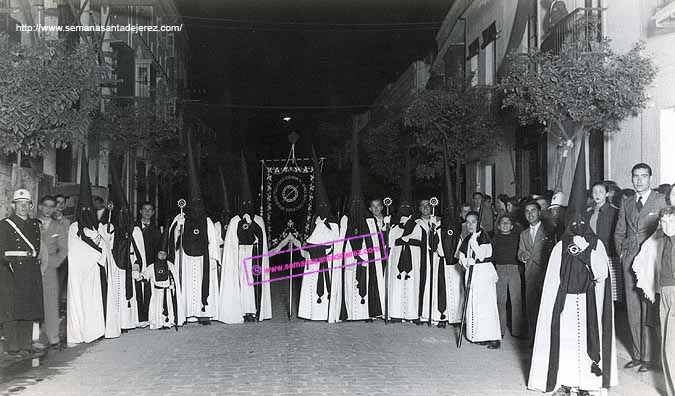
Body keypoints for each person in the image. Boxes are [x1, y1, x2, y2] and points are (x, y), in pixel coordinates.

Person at [529, 139, 617, 396]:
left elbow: (602, 274)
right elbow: (551, 282)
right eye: (573, 221)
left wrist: (587, 251)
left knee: (588, 339)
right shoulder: (558, 247)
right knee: (566, 343)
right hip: (565, 304)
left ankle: (587, 384)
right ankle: (565, 381)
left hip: (589, 300)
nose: (578, 224)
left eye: (582, 221)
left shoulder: (597, 244)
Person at [614, 163, 667, 372]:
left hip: (650, 262)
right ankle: (637, 354)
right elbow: (619, 232)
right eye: (635, 176)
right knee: (633, 308)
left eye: (643, 176)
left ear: (650, 178)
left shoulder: (660, 200)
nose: (639, 180)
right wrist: (621, 253)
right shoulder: (627, 203)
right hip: (629, 262)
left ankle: (650, 357)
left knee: (649, 309)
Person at [169, 134, 221, 325]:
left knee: (201, 283)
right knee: (187, 283)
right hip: (186, 257)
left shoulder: (206, 220)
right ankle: (186, 313)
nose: (197, 208)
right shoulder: (181, 218)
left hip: (203, 259)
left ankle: (203, 312)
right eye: (194, 205)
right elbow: (173, 239)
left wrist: (214, 259)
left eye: (200, 204)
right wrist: (178, 228)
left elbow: (213, 242)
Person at [218, 152, 271, 323]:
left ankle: (253, 310)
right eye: (244, 204)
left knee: (252, 284)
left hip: (254, 256)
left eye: (250, 204)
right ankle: (240, 310)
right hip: (240, 256)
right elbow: (231, 242)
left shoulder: (259, 220)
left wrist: (253, 225)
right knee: (240, 283)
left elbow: (262, 240)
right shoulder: (234, 220)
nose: (247, 207)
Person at [297, 148, 344, 322]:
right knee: (312, 285)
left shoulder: (333, 224)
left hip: (328, 259)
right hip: (313, 260)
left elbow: (336, 242)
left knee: (326, 284)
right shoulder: (312, 223)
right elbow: (307, 242)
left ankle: (327, 313)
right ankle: (311, 313)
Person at [67, 149, 108, 345]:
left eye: (88, 209)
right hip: (80, 274)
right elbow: (76, 251)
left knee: (94, 302)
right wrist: (96, 251)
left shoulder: (97, 226)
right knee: (81, 302)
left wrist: (100, 251)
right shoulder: (74, 227)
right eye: (82, 210)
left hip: (94, 273)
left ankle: (95, 330)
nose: (86, 212)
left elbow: (105, 245)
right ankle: (80, 333)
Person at [633, 206, 675, 396]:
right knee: (666, 348)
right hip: (664, 293)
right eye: (664, 222)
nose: (667, 226)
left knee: (671, 349)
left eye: (672, 221)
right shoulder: (663, 240)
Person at [0, 189, 44, 357]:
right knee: (11, 308)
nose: (24, 207)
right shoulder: (4, 225)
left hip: (30, 269)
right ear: (13, 205)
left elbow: (36, 248)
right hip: (10, 270)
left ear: (31, 206)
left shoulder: (34, 224)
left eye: (27, 204)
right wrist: (6, 267)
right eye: (20, 204)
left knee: (28, 307)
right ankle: (13, 347)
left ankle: (26, 345)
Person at [457, 211, 501, 349]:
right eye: (468, 222)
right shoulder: (468, 237)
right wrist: (466, 262)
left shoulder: (483, 237)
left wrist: (474, 244)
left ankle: (493, 338)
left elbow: (482, 255)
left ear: (479, 223)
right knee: (474, 304)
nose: (470, 225)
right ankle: (478, 336)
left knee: (486, 306)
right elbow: (461, 257)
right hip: (472, 273)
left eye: (473, 222)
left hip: (484, 273)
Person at [388, 153, 421, 322]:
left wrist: (407, 234)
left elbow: (418, 240)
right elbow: (392, 241)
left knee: (412, 285)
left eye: (408, 208)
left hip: (413, 259)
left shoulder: (418, 225)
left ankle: (412, 314)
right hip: (397, 259)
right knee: (397, 285)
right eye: (403, 208)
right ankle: (395, 313)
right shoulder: (394, 226)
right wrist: (399, 229)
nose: (405, 210)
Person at [518, 201, 555, 344]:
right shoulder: (523, 233)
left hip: (545, 273)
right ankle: (534, 339)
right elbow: (520, 252)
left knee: (546, 306)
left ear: (539, 213)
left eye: (533, 210)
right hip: (530, 274)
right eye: (527, 211)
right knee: (531, 307)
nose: (530, 214)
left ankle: (548, 340)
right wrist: (523, 256)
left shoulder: (549, 231)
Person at [137, 224, 185, 330]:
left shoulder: (170, 265)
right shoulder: (152, 266)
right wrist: (139, 277)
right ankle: (158, 323)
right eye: (160, 254)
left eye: (164, 254)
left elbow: (174, 278)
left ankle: (167, 322)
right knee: (157, 309)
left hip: (167, 292)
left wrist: (173, 287)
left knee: (169, 307)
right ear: (156, 254)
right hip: (157, 293)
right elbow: (145, 275)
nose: (162, 256)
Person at [37, 195, 68, 349]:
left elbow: (63, 250)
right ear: (40, 207)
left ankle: (52, 336)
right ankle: (33, 336)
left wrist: (52, 263)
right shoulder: (31, 223)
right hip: (31, 268)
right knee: (32, 301)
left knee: (50, 302)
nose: (48, 209)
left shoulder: (59, 227)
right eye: (46, 206)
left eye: (52, 206)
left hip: (50, 269)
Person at [586, 182, 621, 302]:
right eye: (594, 191)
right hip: (592, 255)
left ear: (607, 194)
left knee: (612, 292)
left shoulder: (615, 212)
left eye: (601, 192)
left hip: (609, 255)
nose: (597, 194)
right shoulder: (588, 212)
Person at [493, 214, 525, 338]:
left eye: (508, 223)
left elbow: (521, 252)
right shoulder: (495, 238)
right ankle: (499, 330)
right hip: (499, 269)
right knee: (500, 300)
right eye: (502, 223)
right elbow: (491, 254)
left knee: (516, 300)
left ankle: (518, 331)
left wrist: (520, 268)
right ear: (499, 226)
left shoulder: (517, 237)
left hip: (513, 268)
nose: (505, 224)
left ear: (512, 226)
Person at [135, 201, 162, 326]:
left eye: (149, 210)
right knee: (136, 290)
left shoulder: (156, 230)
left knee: (148, 290)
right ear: (140, 211)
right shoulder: (134, 228)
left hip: (150, 264)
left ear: (153, 212)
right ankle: (137, 318)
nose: (147, 212)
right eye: (144, 209)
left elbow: (159, 248)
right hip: (137, 263)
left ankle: (148, 316)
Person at [416, 199, 440, 325]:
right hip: (420, 258)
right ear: (419, 208)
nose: (426, 208)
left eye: (428, 206)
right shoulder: (415, 223)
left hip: (435, 259)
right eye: (423, 205)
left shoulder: (438, 221)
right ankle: (421, 314)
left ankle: (435, 314)